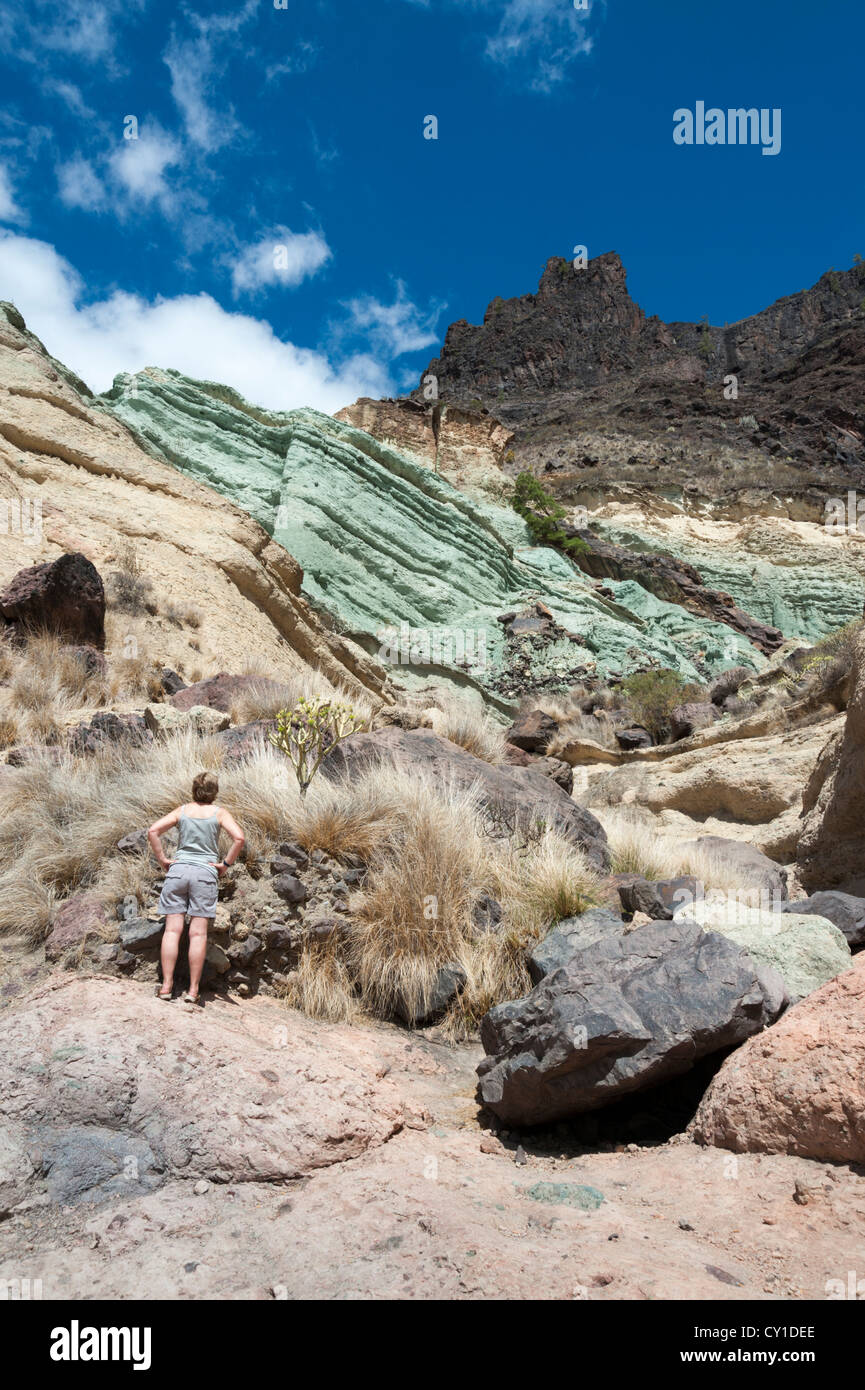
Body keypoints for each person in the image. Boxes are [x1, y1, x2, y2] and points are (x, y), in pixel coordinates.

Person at [147, 771, 245, 1006]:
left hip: (179, 871)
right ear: (215, 792)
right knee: (198, 934)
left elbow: (153, 831)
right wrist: (225, 865)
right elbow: (239, 838)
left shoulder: (182, 811)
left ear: (194, 790)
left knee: (172, 931)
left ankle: (167, 986)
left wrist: (163, 860)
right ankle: (192, 991)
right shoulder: (219, 813)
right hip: (205, 873)